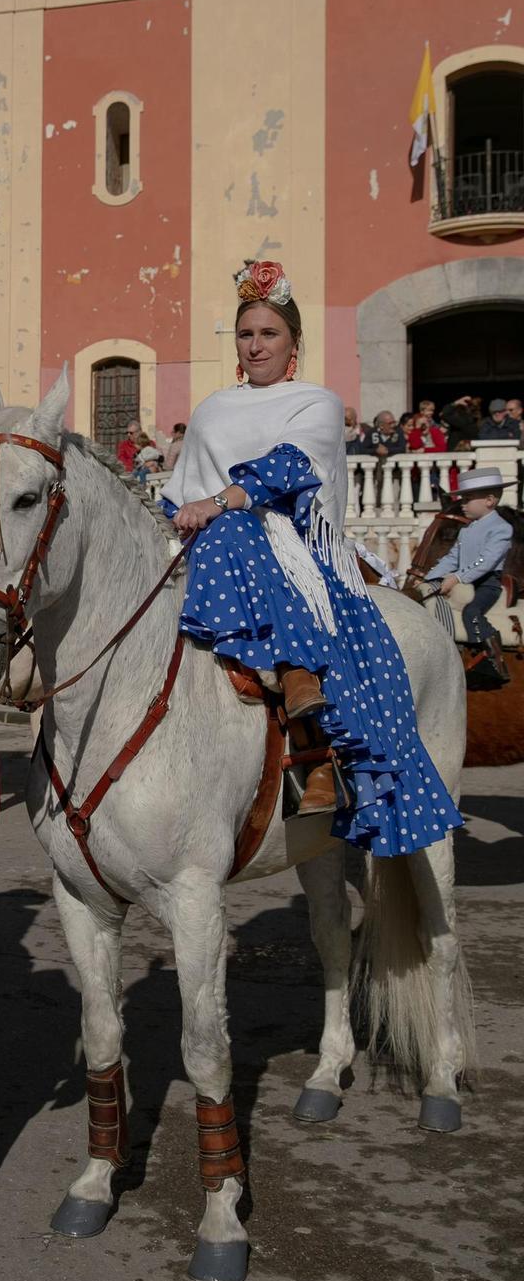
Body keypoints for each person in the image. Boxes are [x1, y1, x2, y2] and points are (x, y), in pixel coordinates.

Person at [160, 257, 463, 850]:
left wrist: (218, 504)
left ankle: (317, 733)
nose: (255, 345)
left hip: (294, 546)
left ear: (293, 342)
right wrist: (184, 515)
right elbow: (181, 491)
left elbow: (290, 468)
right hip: (214, 547)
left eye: (269, 333)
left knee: (233, 528)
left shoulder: (316, 402)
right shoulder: (212, 408)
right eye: (246, 334)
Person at [430, 468, 515, 685]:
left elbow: (486, 561)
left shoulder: (501, 529)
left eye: (467, 499)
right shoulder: (466, 530)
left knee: (472, 612)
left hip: (487, 583)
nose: (463, 504)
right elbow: (452, 558)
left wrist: (456, 578)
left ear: (489, 500)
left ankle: (495, 659)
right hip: (464, 581)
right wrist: (429, 579)